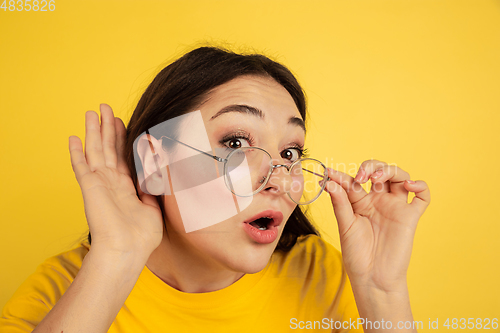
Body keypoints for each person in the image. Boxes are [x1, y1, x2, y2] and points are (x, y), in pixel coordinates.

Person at [0, 46, 430, 332]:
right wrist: (117, 256)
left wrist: (381, 290)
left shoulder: (322, 274)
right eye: (236, 142)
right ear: (155, 162)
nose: (279, 178)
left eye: (291, 151)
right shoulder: (65, 288)